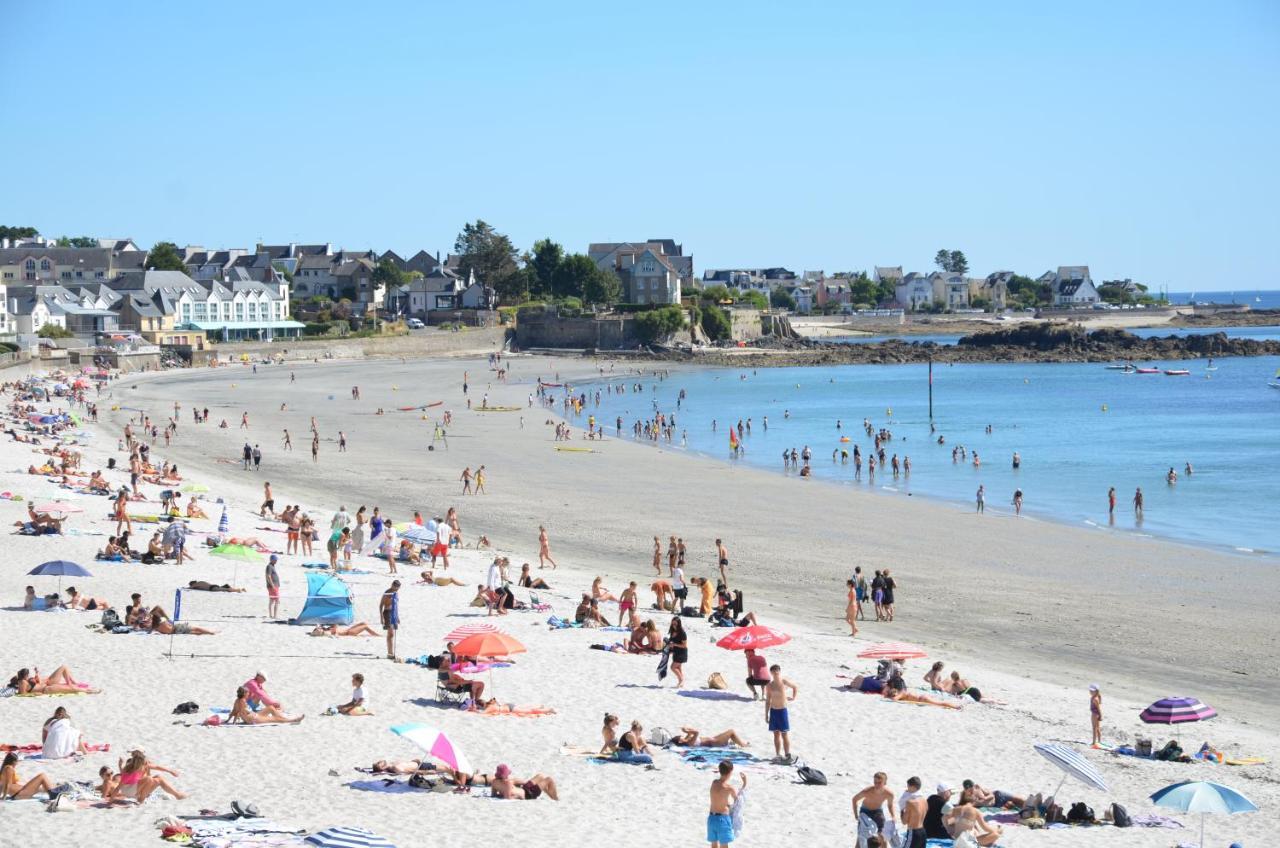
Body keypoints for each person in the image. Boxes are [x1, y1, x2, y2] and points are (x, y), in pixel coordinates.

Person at [114, 751, 187, 801]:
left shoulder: (143, 766)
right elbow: (124, 779)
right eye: (145, 762)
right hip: (135, 792)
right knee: (152, 779)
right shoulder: (135, 768)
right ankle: (177, 795)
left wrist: (170, 771)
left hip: (139, 789)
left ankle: (177, 795)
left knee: (158, 777)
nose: (147, 763)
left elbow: (157, 766)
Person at [764, 664, 797, 763]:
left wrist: (793, 697)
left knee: (784, 734)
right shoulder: (769, 685)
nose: (775, 672)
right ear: (771, 673)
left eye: (777, 670)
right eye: (773, 671)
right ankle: (778, 754)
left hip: (782, 710)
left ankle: (787, 754)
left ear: (779, 671)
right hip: (774, 711)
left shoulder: (784, 681)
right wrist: (766, 714)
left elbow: (795, 687)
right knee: (776, 735)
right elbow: (768, 700)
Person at [708, 760, 745, 848]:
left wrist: (727, 804)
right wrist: (744, 783)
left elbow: (720, 799)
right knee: (724, 845)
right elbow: (738, 801)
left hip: (711, 819)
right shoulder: (729, 788)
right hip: (722, 820)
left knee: (714, 845)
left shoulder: (714, 783)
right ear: (730, 772)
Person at [852, 772, 897, 838]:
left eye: (879, 783)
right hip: (865, 811)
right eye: (875, 782)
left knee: (882, 835)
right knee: (861, 837)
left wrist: (893, 816)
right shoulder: (867, 791)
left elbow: (890, 805)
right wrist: (856, 815)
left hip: (878, 811)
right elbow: (854, 799)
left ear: (885, 783)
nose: (877, 785)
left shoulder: (889, 794)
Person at [230, 686, 303, 724]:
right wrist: (240, 716)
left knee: (270, 708)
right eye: (248, 692)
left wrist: (229, 721)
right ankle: (292, 720)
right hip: (254, 719)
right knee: (275, 719)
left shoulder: (237, 701)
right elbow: (243, 711)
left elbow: (234, 712)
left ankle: (280, 716)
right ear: (244, 693)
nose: (249, 694)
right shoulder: (242, 702)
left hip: (254, 716)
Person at [8, 666, 97, 695]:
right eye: (28, 675)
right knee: (71, 688)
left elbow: (36, 682)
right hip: (47, 689)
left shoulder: (25, 680)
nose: (29, 676)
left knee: (63, 667)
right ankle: (89, 691)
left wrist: (36, 674)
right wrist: (37, 694)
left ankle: (75, 682)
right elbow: (23, 694)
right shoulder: (22, 682)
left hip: (48, 682)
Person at [490, 763, 558, 801]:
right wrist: (519, 796)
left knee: (541, 776)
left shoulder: (494, 782)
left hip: (524, 788)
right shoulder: (508, 783)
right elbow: (508, 798)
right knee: (549, 779)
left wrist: (501, 793)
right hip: (529, 794)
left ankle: (552, 797)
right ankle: (556, 799)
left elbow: (493, 794)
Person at [902, 782, 929, 848]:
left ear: (913, 787)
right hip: (923, 831)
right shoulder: (924, 800)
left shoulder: (910, 803)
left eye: (908, 787)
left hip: (913, 832)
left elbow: (904, 822)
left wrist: (901, 810)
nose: (907, 790)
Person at [381, 580, 401, 661]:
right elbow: (381, 605)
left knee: (392, 634)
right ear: (392, 585)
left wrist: (397, 616)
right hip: (387, 613)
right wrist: (381, 617)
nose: (396, 590)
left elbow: (396, 605)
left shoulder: (396, 593)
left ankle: (391, 652)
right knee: (390, 633)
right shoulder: (387, 593)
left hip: (394, 613)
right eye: (395, 588)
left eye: (397, 589)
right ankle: (390, 653)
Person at [673, 727, 748, 748]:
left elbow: (691, 729)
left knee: (729, 734)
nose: (683, 736)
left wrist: (686, 729)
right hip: (715, 742)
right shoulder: (689, 743)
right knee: (731, 731)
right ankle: (743, 745)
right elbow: (696, 732)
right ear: (680, 741)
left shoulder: (687, 740)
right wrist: (686, 731)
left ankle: (741, 743)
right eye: (681, 737)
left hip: (713, 740)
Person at [667, 617, 688, 687]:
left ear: (679, 624)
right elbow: (671, 641)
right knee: (678, 668)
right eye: (673, 624)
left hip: (682, 652)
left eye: (675, 624)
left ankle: (681, 679)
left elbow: (684, 645)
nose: (674, 625)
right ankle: (681, 682)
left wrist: (674, 644)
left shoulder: (682, 633)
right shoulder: (673, 631)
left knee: (673, 667)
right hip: (676, 652)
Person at [265, 554, 280, 619]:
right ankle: (274, 615)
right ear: (271, 560)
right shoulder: (269, 566)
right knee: (276, 600)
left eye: (276, 560)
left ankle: (271, 615)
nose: (276, 561)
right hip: (273, 586)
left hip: (274, 585)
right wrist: (272, 585)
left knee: (272, 600)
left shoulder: (272, 566)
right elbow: (268, 576)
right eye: (275, 560)